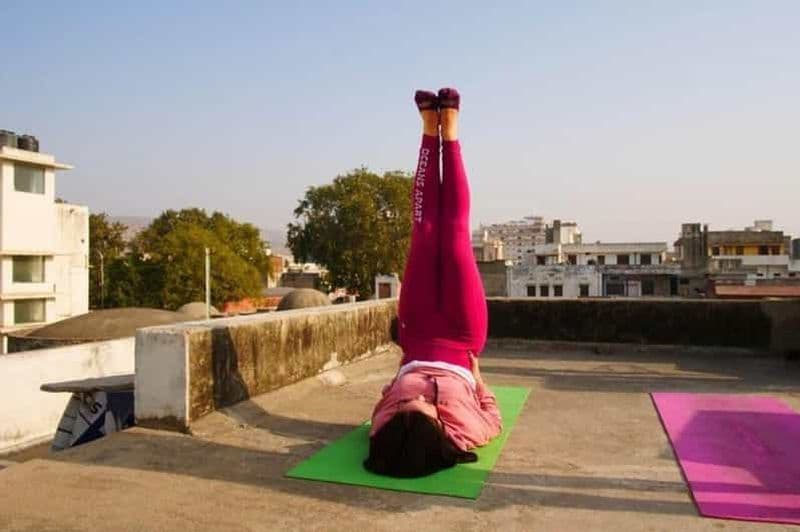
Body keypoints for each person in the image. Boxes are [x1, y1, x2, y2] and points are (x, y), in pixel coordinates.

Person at [363, 88, 502, 478]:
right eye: (421, 409)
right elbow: (493, 416)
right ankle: (451, 132)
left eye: (405, 409)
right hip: (462, 337)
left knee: (425, 232)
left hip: (418, 334)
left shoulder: (383, 427)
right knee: (455, 237)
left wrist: (399, 382)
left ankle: (428, 130)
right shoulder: (467, 432)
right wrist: (477, 380)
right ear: (438, 428)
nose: (415, 403)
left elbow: (384, 400)